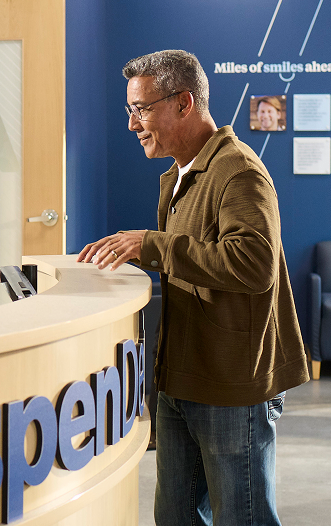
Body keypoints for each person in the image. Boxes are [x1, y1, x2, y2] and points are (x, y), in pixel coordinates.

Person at [77, 50, 308, 525]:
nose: (132, 124)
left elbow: (253, 263)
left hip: (229, 386)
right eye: (130, 111)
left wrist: (154, 245)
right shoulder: (183, 172)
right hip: (181, 378)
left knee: (242, 516)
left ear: (184, 103)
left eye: (141, 109)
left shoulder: (239, 171)